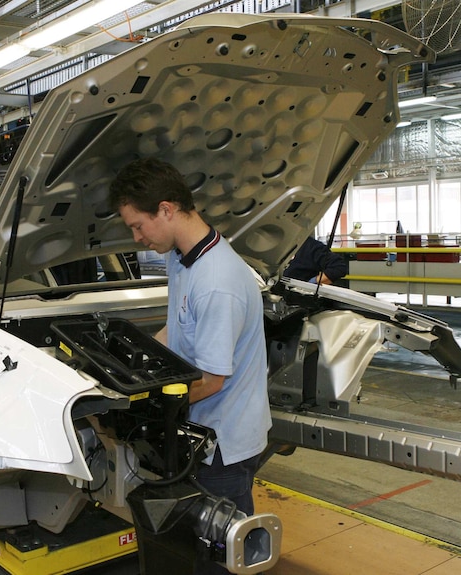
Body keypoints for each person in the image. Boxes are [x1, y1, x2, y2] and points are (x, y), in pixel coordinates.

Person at [109, 158, 272, 574]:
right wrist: (127, 360)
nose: (137, 237)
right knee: (188, 550)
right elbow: (177, 329)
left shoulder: (218, 282)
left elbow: (212, 380)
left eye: (138, 225)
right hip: (199, 432)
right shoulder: (182, 258)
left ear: (166, 210)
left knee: (218, 556)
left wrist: (142, 406)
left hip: (223, 446)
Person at [283, 235, 348, 285]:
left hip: (297, 297)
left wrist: (312, 283)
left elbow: (338, 267)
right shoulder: (275, 245)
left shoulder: (309, 246)